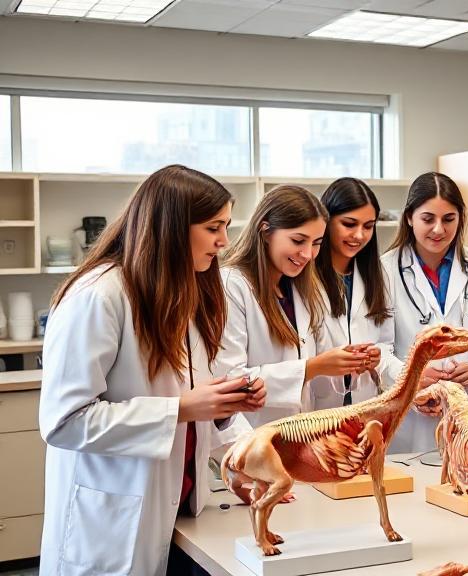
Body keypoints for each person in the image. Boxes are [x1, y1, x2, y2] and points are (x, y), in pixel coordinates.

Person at [38, 165, 266, 575]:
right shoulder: (98, 296)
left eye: (227, 226)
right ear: (172, 227)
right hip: (115, 520)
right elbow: (64, 421)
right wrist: (179, 409)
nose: (224, 241)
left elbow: (187, 393)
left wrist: (224, 404)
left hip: (181, 511)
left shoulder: (183, 291)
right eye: (214, 227)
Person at [382, 172, 468, 454]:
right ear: (409, 217)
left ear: (461, 218)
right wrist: (411, 377)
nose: (438, 229)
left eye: (448, 219)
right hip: (410, 413)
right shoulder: (384, 271)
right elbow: (378, 347)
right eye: (428, 219)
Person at [219, 185, 367, 427]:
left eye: (317, 243)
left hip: (299, 435)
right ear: (265, 231)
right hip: (250, 436)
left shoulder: (299, 288)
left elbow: (311, 384)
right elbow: (231, 379)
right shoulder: (231, 285)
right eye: (298, 240)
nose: (308, 254)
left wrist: (345, 365)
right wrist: (312, 367)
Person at [312, 177, 403, 407]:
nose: (360, 235)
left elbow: (384, 341)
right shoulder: (305, 275)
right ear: (326, 221)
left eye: (368, 226)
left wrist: (377, 356)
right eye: (349, 224)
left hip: (365, 402)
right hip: (319, 404)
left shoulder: (377, 273)